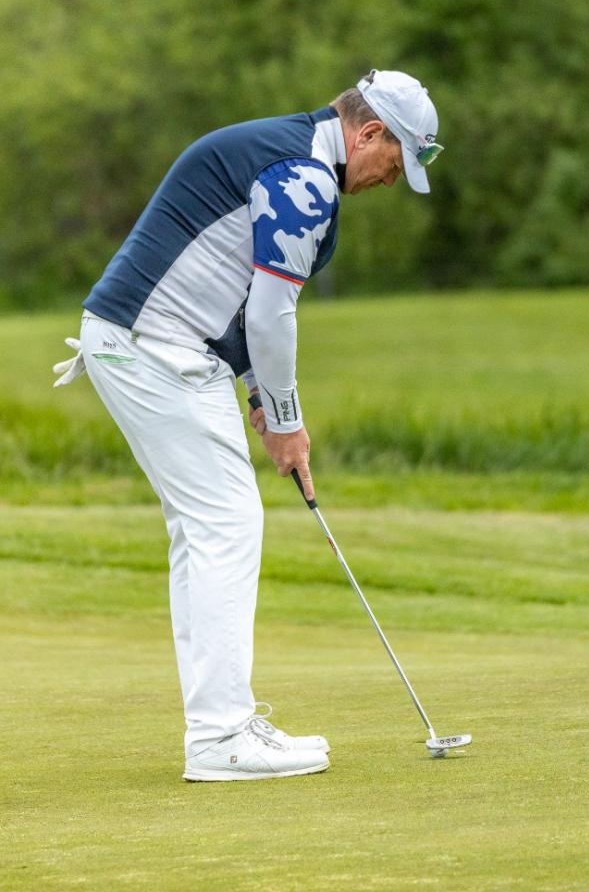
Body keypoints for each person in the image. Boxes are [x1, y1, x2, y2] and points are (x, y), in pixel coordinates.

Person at [52, 69, 443, 782]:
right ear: (369, 133)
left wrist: (262, 394)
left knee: (205, 529)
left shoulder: (287, 154)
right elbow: (269, 314)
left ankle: (220, 724)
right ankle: (221, 737)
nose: (392, 179)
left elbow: (236, 292)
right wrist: (288, 422)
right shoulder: (305, 178)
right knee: (225, 524)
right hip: (155, 346)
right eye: (396, 161)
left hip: (145, 342)